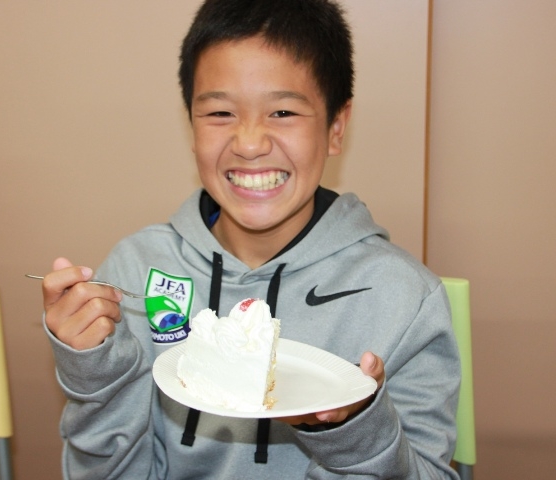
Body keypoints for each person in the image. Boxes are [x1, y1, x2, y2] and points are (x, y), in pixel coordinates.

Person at [40, 0, 461, 478]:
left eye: (282, 111)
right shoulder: (135, 270)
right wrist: (93, 371)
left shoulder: (403, 298)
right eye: (220, 112)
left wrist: (355, 431)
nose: (250, 143)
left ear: (336, 126)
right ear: (191, 124)